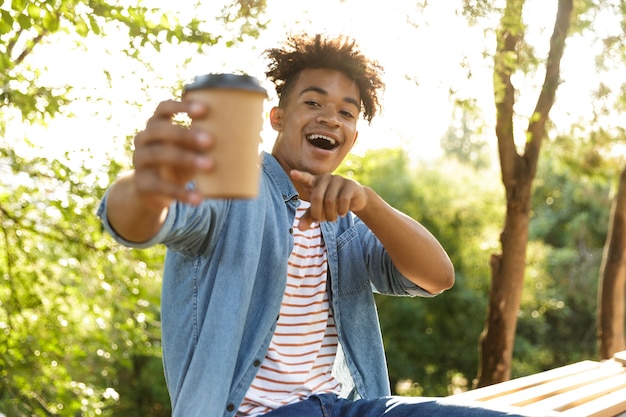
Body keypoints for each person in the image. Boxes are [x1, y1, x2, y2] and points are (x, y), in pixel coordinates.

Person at [98, 33, 533, 417]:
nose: (330, 117)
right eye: (313, 102)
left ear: (353, 136)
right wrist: (147, 186)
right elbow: (135, 222)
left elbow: (437, 277)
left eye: (346, 112)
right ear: (278, 118)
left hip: (345, 407)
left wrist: (369, 203)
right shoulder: (232, 189)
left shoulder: (348, 221)